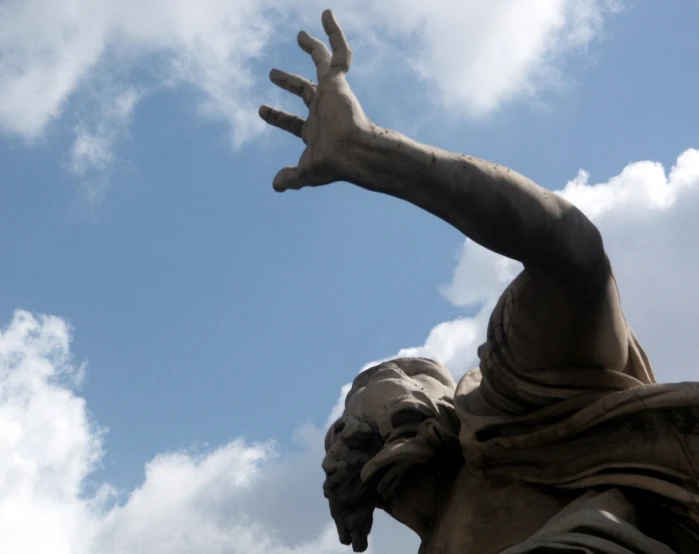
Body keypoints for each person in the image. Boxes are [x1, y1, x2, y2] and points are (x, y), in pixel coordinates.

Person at [260, 10, 699, 553]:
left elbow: (573, 253)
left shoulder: (518, 404)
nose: (377, 410)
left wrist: (371, 150)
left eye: (407, 384)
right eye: (355, 424)